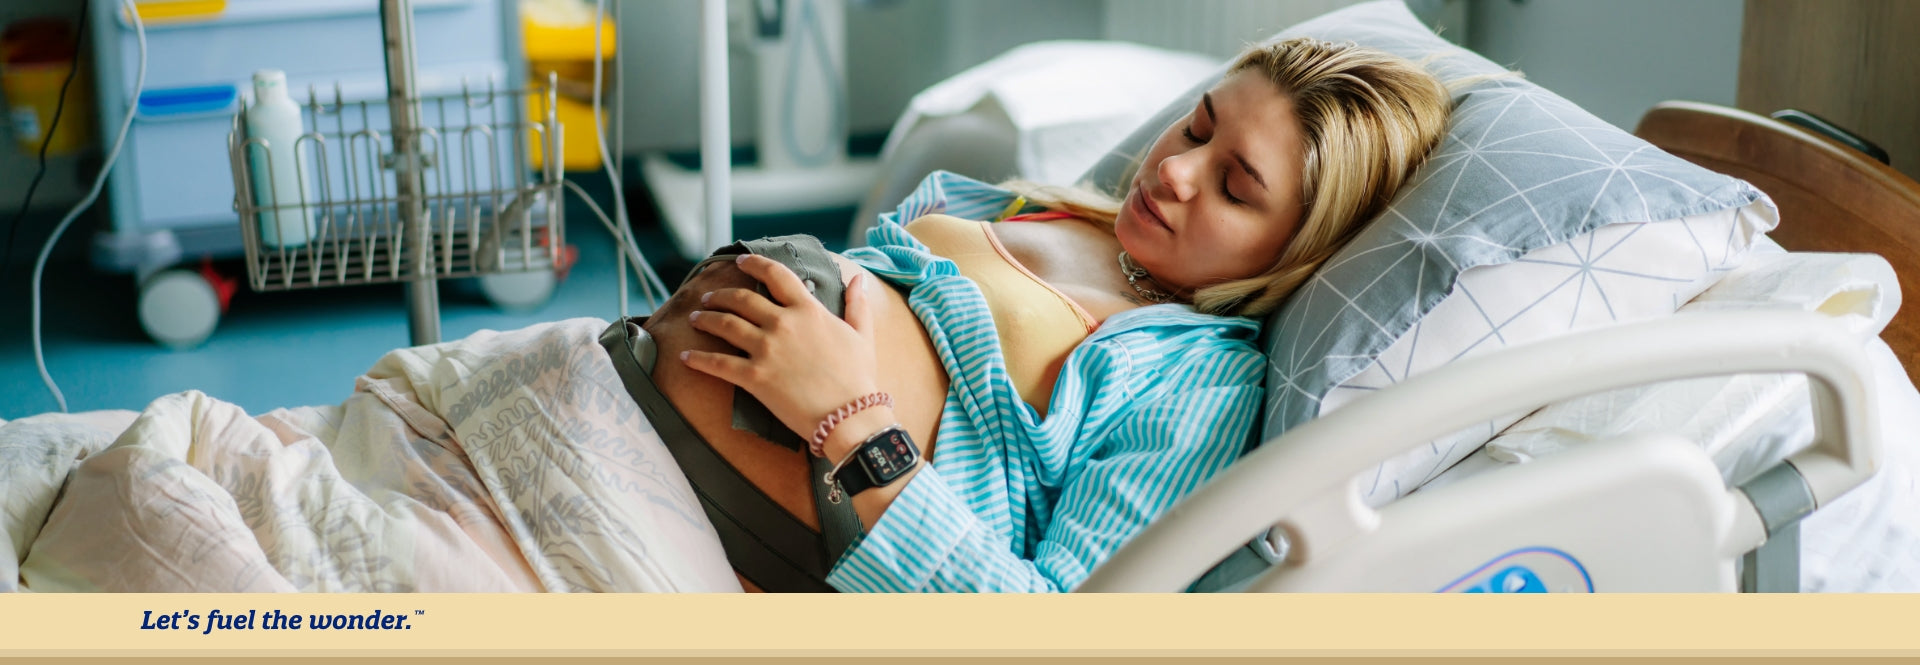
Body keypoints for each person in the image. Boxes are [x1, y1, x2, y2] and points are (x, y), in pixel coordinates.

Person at [633, 37, 1453, 592]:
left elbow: (1060, 622)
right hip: (624, 389)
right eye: (1196, 126)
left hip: (734, 530)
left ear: (1295, 249)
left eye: (1236, 187)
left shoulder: (1200, 377)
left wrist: (850, 424)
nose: (1174, 170)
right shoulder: (1030, 205)